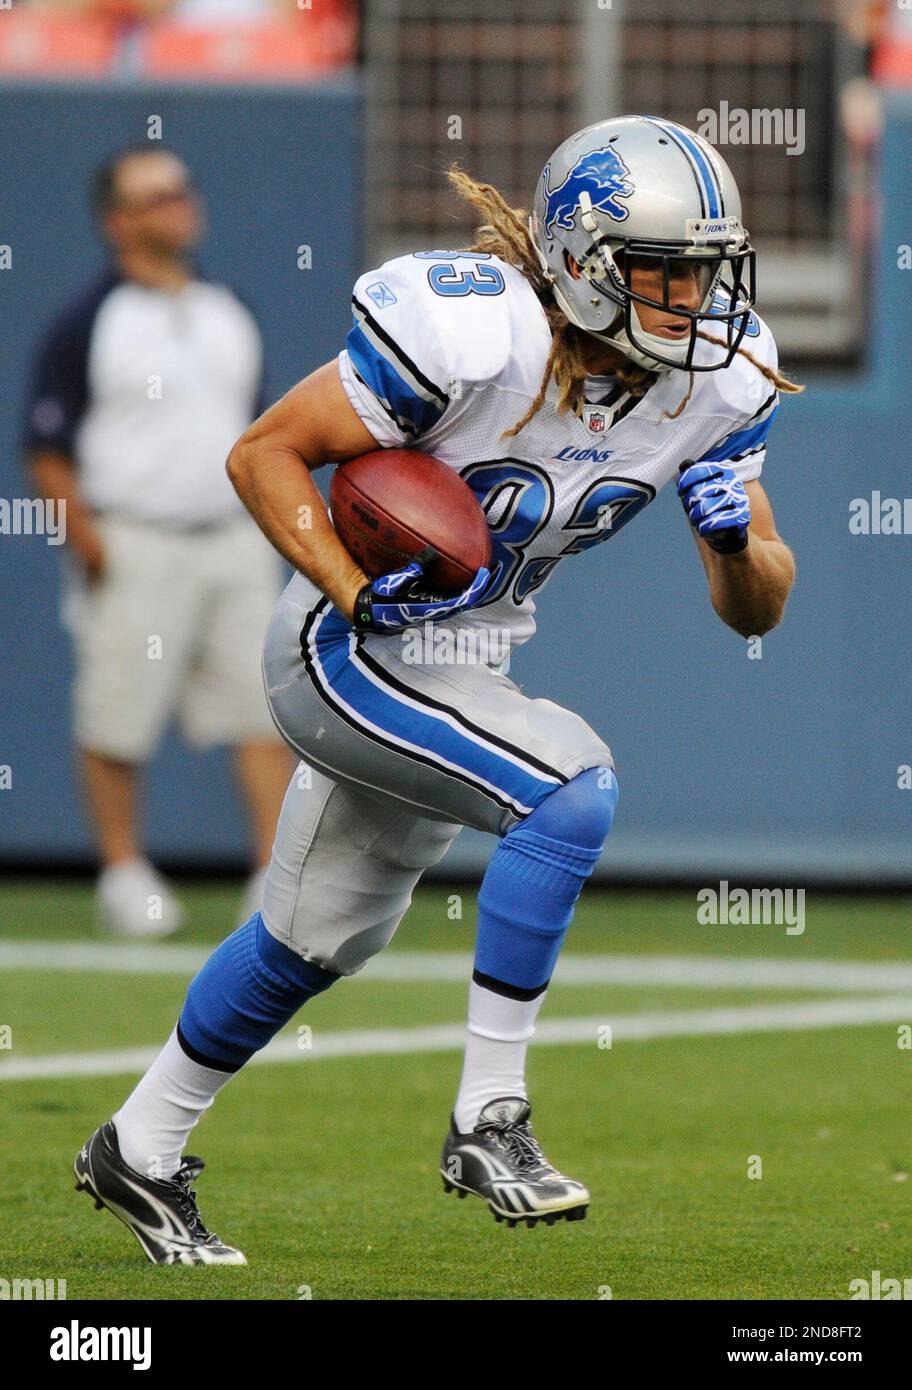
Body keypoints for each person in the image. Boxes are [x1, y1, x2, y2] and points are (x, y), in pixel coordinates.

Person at [73, 116, 799, 1263]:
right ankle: (490, 1115)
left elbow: (758, 605)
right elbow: (264, 451)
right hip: (347, 645)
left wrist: (732, 548)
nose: (694, 301)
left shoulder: (716, 384)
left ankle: (138, 1147)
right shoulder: (475, 331)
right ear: (581, 266)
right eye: (665, 272)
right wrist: (351, 588)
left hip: (471, 659)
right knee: (571, 786)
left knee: (310, 941)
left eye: (708, 272)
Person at [26, 146, 291, 938]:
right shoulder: (87, 322)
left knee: (262, 711)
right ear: (118, 221)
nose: (180, 204)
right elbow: (45, 445)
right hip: (135, 538)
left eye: (183, 187)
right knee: (118, 714)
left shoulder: (225, 306)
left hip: (234, 541)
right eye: (156, 195)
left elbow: (256, 430)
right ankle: (123, 872)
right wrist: (90, 542)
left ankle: (272, 878)